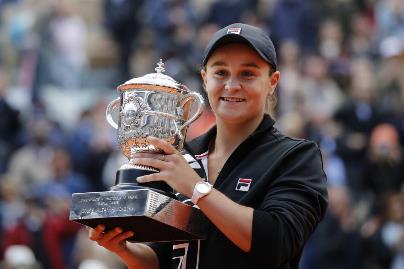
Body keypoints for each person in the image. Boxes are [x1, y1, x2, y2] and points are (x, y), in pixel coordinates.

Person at [88, 23, 328, 269]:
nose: (232, 85)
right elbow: (163, 259)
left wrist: (195, 188)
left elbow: (277, 242)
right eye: (221, 72)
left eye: (248, 73)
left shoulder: (296, 157)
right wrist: (124, 249)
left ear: (273, 82)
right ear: (204, 79)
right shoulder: (181, 157)